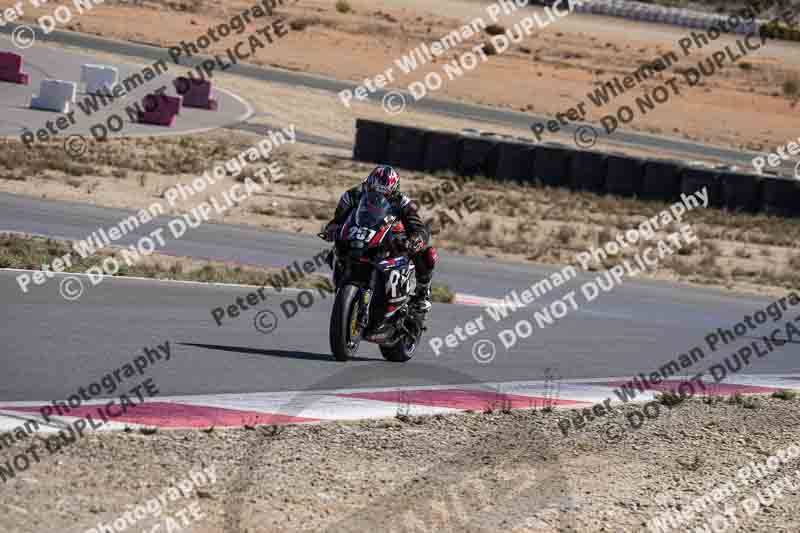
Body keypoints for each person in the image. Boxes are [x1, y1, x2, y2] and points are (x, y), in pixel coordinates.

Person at [323, 165, 438, 314]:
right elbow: (338, 219)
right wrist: (331, 229)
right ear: (368, 185)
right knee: (335, 251)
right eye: (374, 191)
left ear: (393, 192)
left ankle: (423, 293)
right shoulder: (353, 195)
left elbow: (417, 226)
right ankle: (345, 286)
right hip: (361, 233)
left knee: (425, 253)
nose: (378, 196)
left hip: (392, 237)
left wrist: (416, 238)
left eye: (384, 194)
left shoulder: (402, 202)